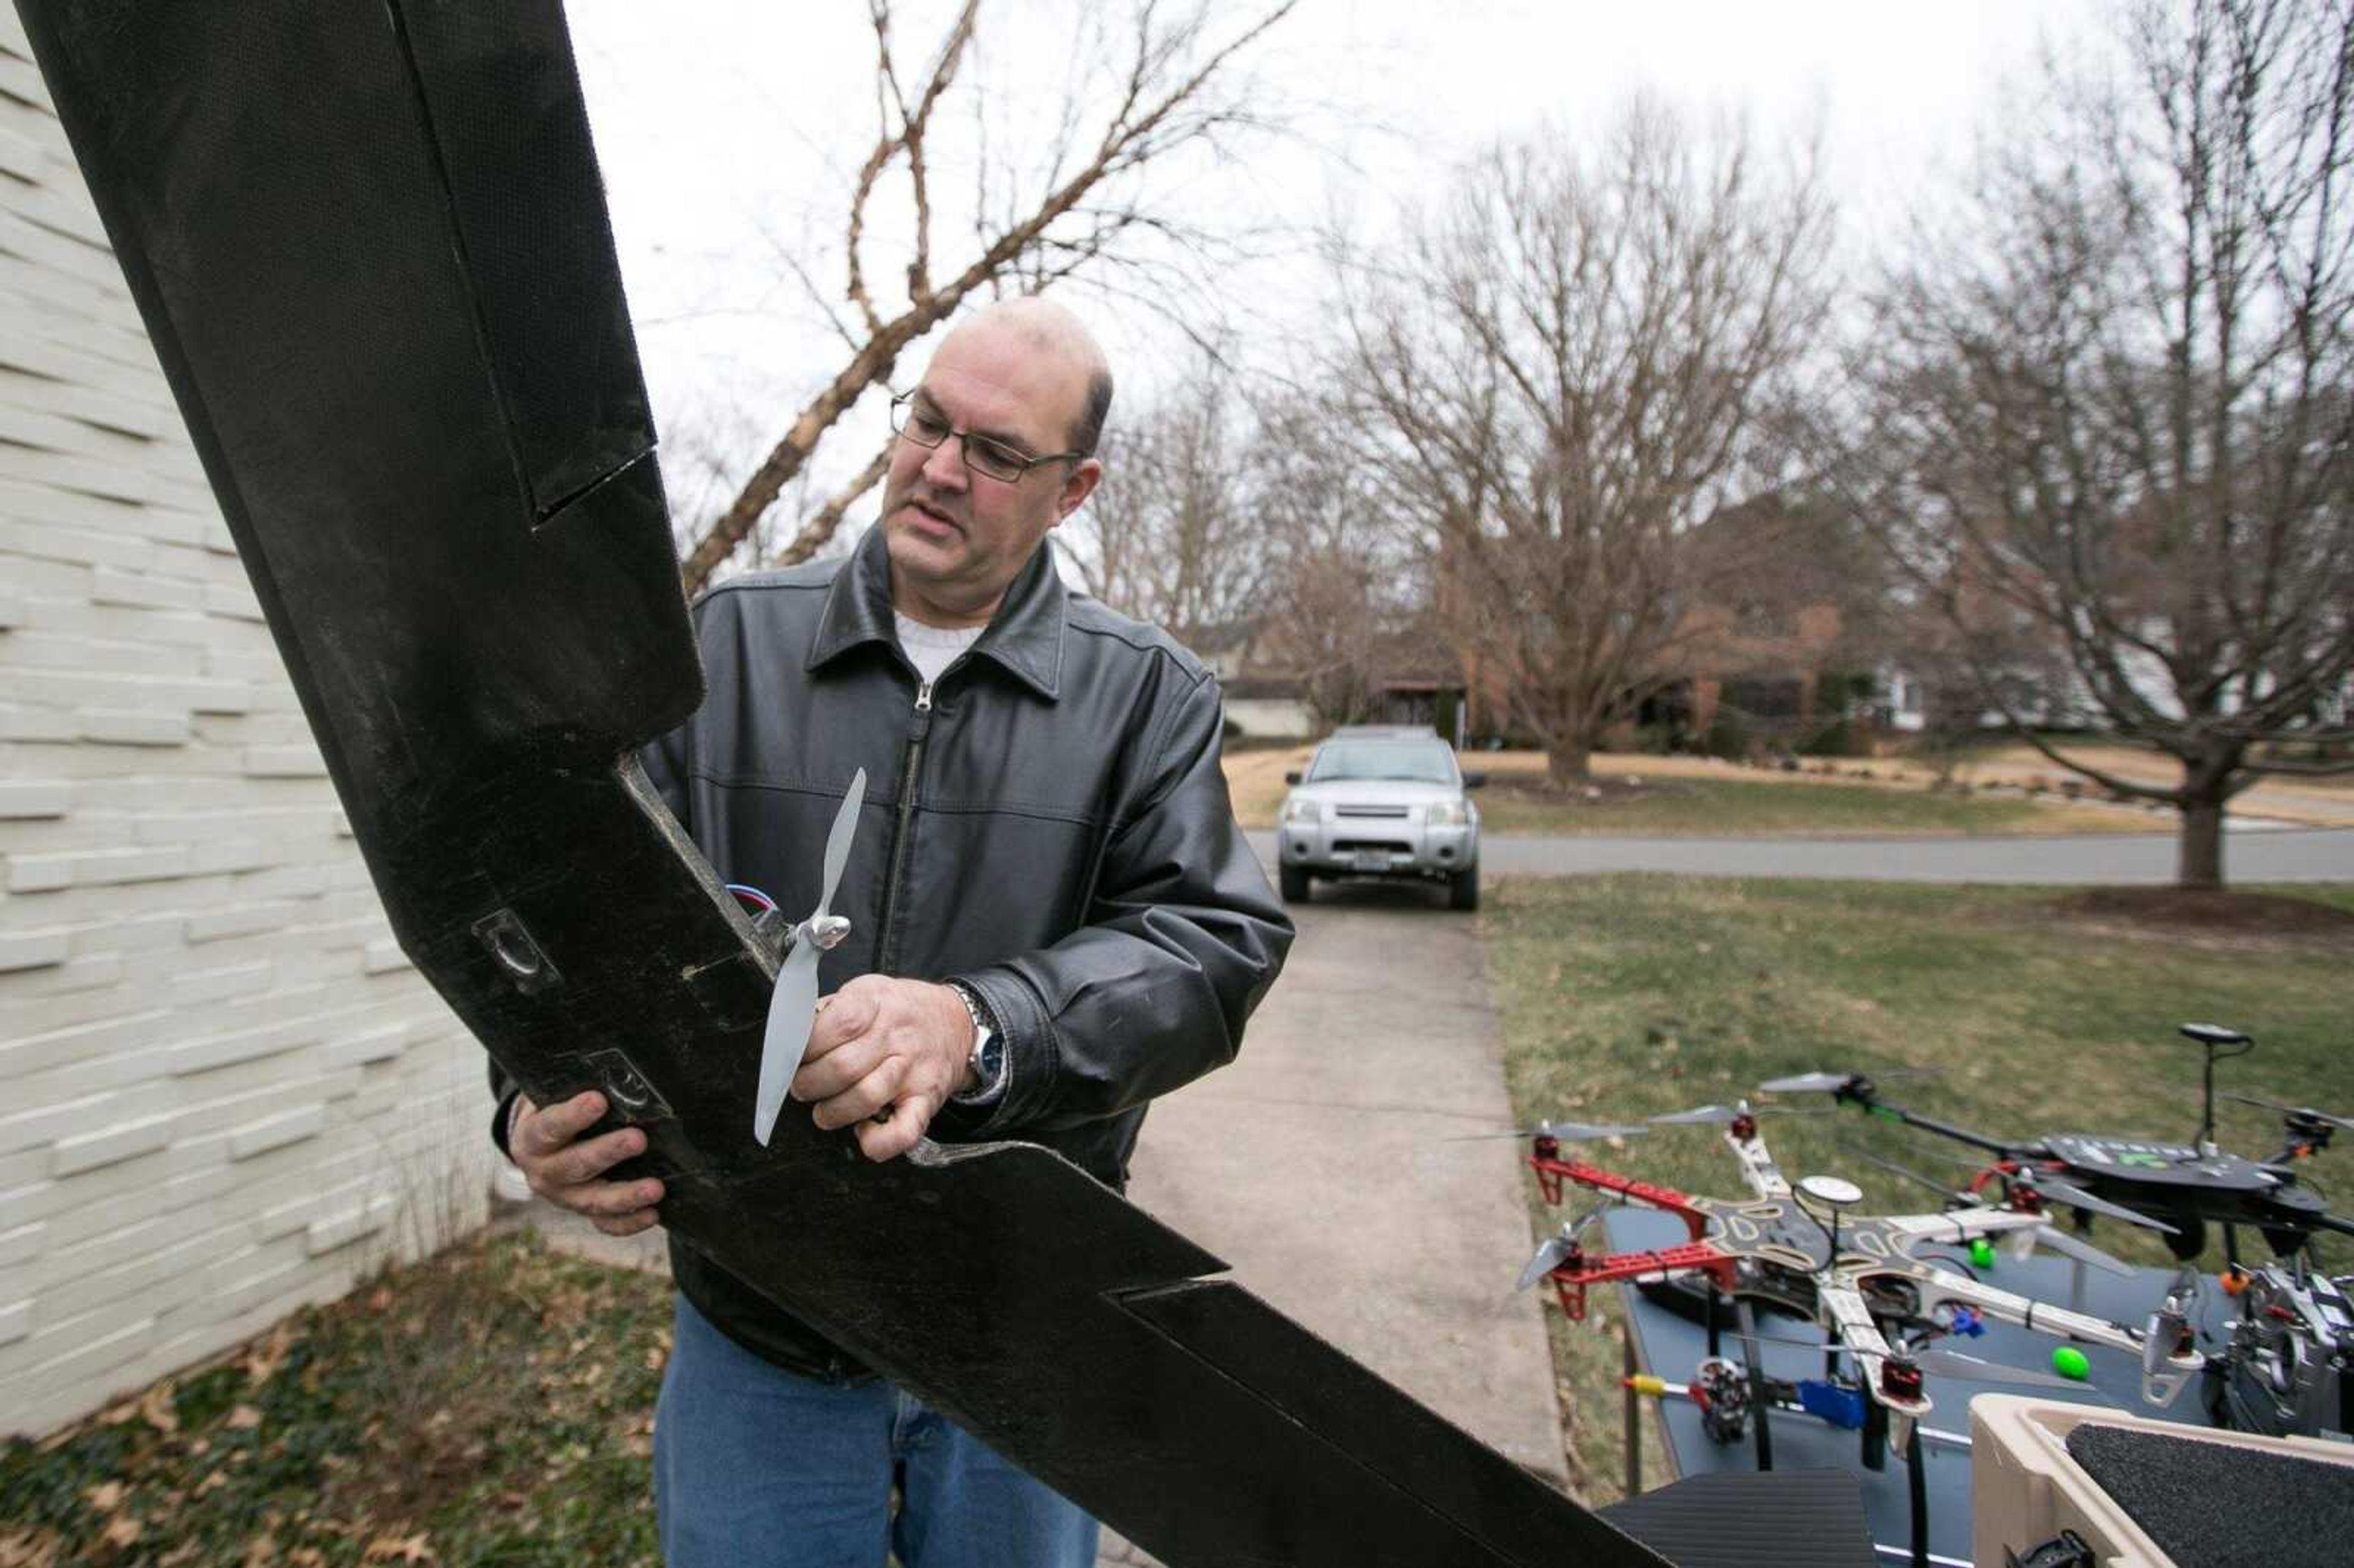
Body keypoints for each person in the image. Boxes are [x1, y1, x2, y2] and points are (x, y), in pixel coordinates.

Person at [489, 297, 1293, 1566]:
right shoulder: (724, 650)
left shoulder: (1148, 697)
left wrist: (978, 1024)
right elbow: (579, 911)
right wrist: (529, 1101)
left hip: (1020, 1334)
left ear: (1072, 490)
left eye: (995, 451)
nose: (936, 468)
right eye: (926, 421)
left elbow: (1212, 949)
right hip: (764, 1330)